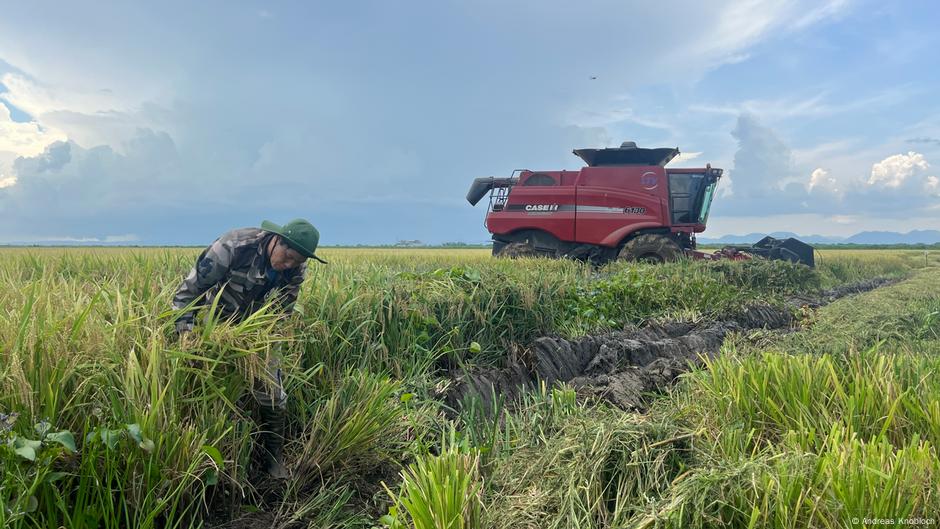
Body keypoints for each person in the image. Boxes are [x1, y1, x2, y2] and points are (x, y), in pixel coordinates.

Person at [171, 219, 326, 479]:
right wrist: (187, 336)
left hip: (256, 330)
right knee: (209, 387)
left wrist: (263, 342)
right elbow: (189, 293)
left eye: (295, 261)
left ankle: (273, 458)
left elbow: (281, 313)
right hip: (216, 322)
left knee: (272, 392)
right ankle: (206, 456)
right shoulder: (233, 247)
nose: (287, 264)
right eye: (286, 256)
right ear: (277, 240)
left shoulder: (295, 270)